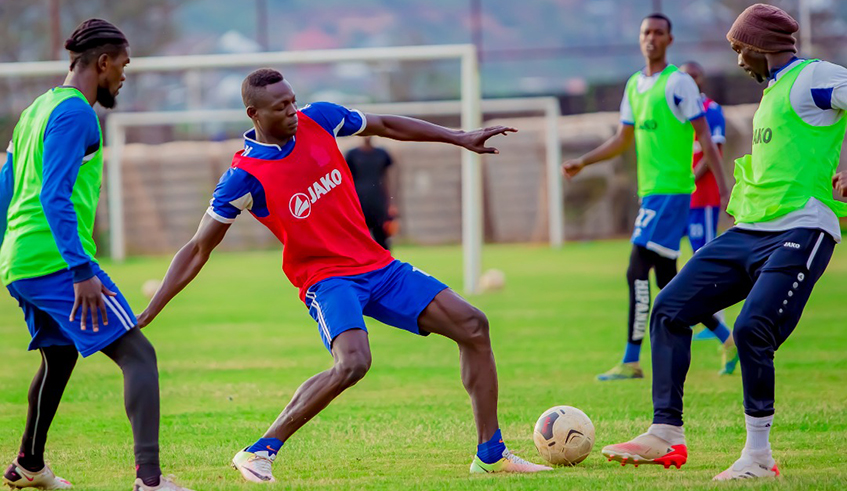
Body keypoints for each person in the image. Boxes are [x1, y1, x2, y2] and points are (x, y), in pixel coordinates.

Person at [137, 68, 552, 483]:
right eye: (280, 106)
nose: (292, 111)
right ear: (254, 114)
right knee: (353, 363)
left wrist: (458, 136)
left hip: (379, 266)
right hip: (327, 280)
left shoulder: (321, 119)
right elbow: (197, 248)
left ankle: (491, 453)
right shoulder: (244, 177)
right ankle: (259, 450)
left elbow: (386, 124)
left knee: (473, 325)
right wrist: (151, 311)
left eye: (293, 100)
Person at [601, 4, 847, 480]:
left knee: (753, 329)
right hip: (750, 232)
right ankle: (665, 434)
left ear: (759, 46)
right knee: (670, 309)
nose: (737, 61)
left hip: (803, 229)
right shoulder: (774, 89)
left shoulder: (814, 75)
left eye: (739, 49)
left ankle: (758, 458)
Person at [0, 19, 191, 491]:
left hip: (22, 262)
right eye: (123, 66)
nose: (124, 76)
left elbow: (5, 186)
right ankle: (150, 481)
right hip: (58, 263)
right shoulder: (76, 115)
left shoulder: (36, 110)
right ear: (103, 62)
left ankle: (28, 463)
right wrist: (82, 269)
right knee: (138, 355)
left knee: (58, 357)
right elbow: (54, 195)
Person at [562, 13, 729, 381]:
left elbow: (704, 136)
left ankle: (631, 360)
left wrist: (724, 187)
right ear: (640, 39)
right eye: (645, 32)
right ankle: (727, 339)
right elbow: (622, 139)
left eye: (658, 32)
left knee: (636, 268)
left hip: (671, 191)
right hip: (651, 192)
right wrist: (584, 162)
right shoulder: (634, 85)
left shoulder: (679, 83)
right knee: (668, 281)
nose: (651, 38)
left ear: (670, 39)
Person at [678, 61, 739, 374]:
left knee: (702, 257)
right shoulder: (675, 110)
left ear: (699, 80)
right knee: (681, 262)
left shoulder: (710, 110)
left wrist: (687, 182)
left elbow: (713, 151)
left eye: (691, 77)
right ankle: (714, 325)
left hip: (701, 197)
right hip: (678, 198)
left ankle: (720, 324)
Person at [345, 136, 395, 250]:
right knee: (358, 240)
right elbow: (347, 180)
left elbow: (388, 178)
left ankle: (385, 265)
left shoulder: (382, 154)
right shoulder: (352, 155)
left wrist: (391, 202)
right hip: (360, 203)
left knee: (383, 239)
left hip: (378, 203)